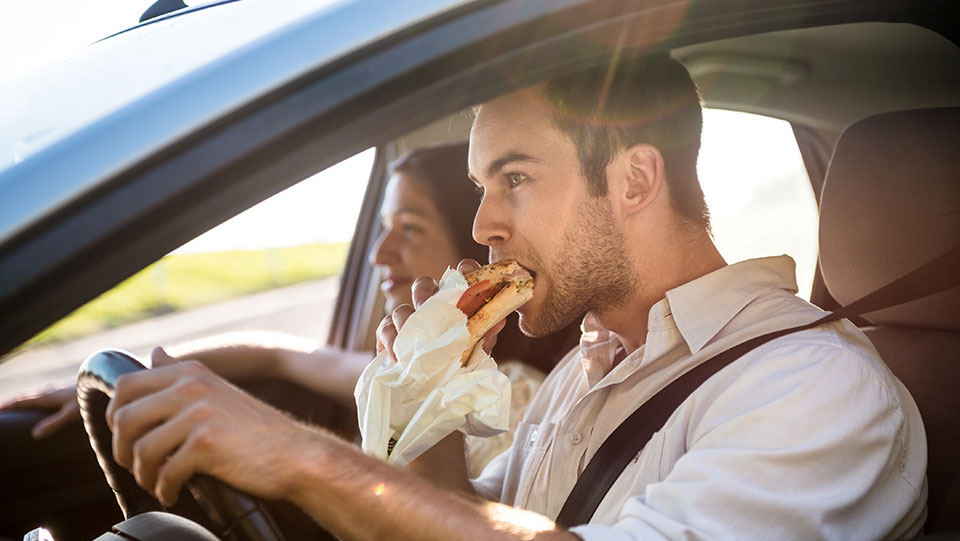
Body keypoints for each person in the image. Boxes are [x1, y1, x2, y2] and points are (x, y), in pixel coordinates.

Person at [90, 53, 925, 540]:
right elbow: (462, 522)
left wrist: (302, 454)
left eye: (514, 178)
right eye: (481, 184)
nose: (484, 223)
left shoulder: (816, 386)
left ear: (634, 179)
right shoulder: (587, 370)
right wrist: (426, 398)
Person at [2, 142, 577, 478]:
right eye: (381, 229)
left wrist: (285, 452)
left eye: (410, 228)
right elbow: (283, 355)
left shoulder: (517, 398)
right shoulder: (417, 368)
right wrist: (135, 374)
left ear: (471, 252)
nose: (380, 253)